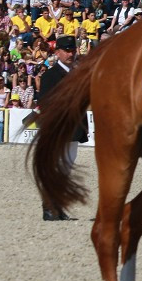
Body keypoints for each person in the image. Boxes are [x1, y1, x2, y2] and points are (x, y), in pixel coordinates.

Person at [39, 36, 88, 220]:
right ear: (57, 52)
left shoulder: (77, 73)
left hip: (74, 128)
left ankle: (57, 206)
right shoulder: (51, 75)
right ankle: (49, 208)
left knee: (66, 169)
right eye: (66, 50)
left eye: (72, 50)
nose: (70, 53)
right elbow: (45, 103)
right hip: (59, 129)